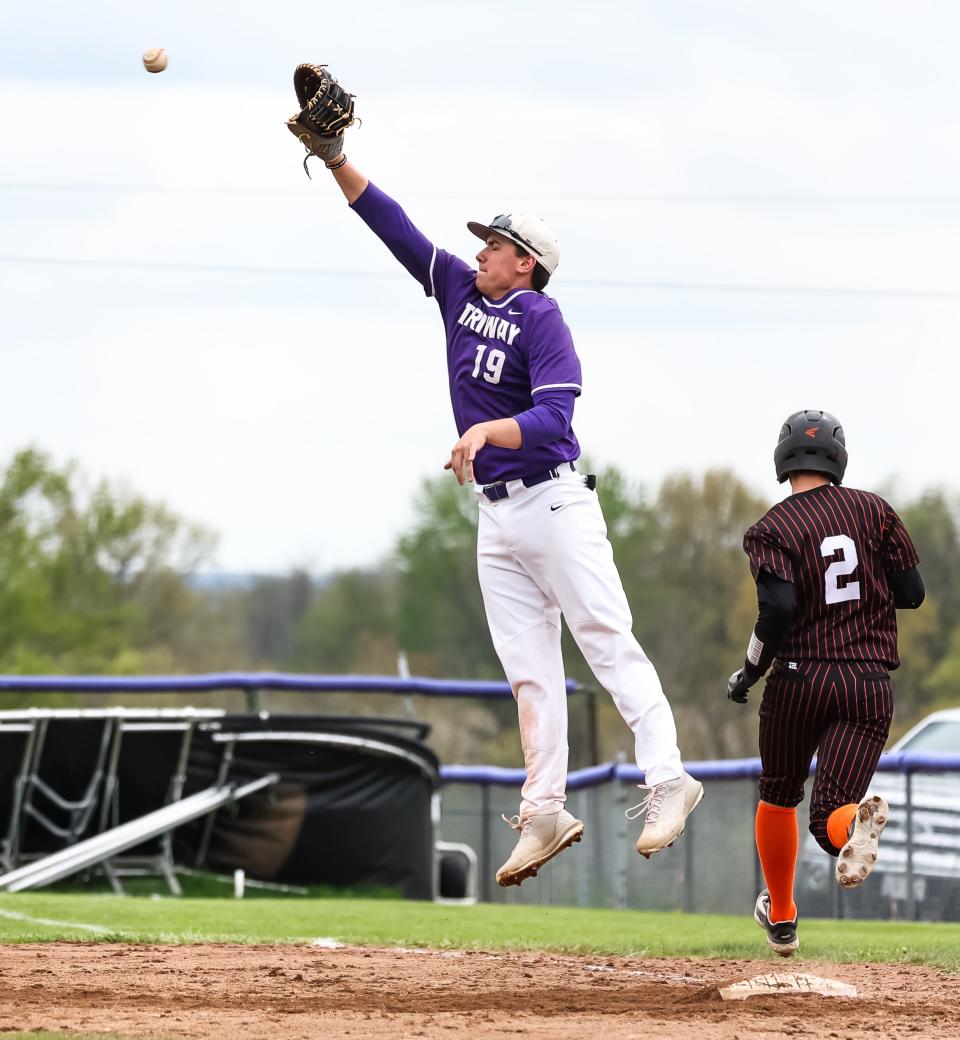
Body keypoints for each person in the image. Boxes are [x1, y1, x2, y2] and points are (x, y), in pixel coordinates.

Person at [306, 136, 702, 887]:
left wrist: (489, 428)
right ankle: (545, 807)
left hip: (554, 500)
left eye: (495, 244)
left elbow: (555, 420)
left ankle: (668, 779)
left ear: (527, 262)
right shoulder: (459, 290)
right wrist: (334, 158)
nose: (481, 252)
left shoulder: (542, 320)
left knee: (607, 642)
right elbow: (395, 228)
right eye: (484, 244)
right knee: (529, 675)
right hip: (497, 517)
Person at [726, 410, 925, 955]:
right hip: (866, 682)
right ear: (838, 457)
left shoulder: (771, 529)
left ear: (782, 460)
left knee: (779, 793)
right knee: (827, 816)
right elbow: (912, 593)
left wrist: (749, 671)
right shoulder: (874, 510)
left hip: (798, 679)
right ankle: (851, 826)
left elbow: (779, 609)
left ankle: (783, 916)